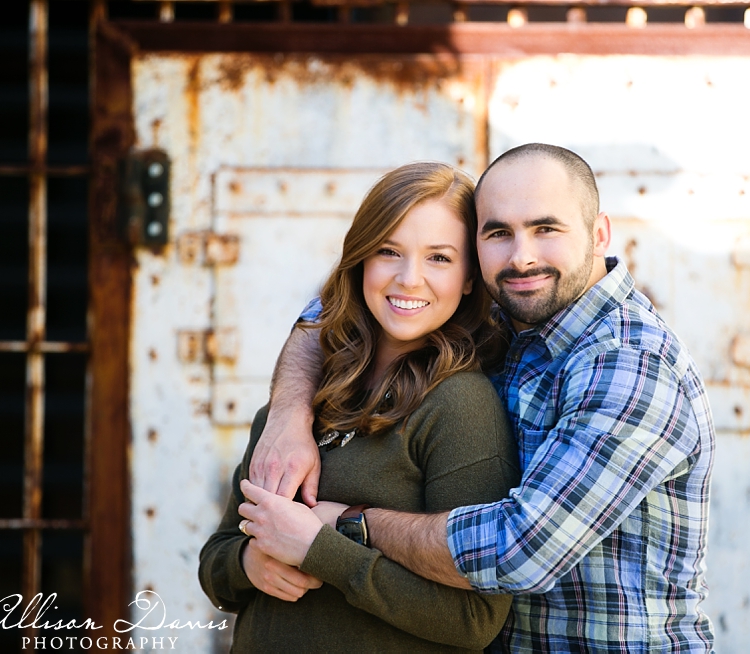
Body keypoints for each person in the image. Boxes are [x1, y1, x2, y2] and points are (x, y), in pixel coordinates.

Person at [251, 144, 716, 652]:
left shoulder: (629, 364)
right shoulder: (510, 315)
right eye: (498, 233)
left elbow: (522, 551)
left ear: (598, 233)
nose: (521, 256)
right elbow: (327, 310)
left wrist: (345, 526)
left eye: (547, 229)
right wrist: (289, 411)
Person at [198, 162, 520, 652]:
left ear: (470, 278)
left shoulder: (459, 405)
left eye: (439, 258)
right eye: (389, 251)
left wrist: (320, 552)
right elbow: (215, 561)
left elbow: (474, 619)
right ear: (361, 258)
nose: (409, 279)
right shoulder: (301, 402)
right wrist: (248, 565)